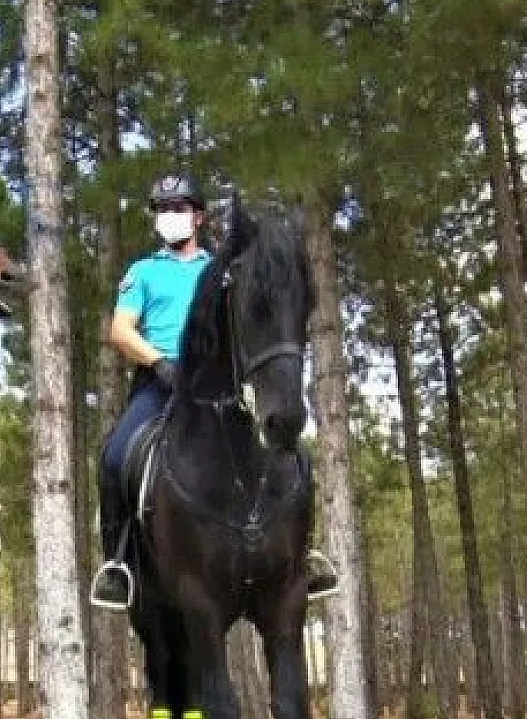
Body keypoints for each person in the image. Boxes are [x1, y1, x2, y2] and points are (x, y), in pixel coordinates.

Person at [88, 174, 339, 610]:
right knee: (114, 455)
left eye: (179, 208)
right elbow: (120, 331)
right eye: (163, 210)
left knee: (290, 449)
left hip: (222, 386)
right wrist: (160, 362)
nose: (170, 217)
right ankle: (118, 564)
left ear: (199, 217)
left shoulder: (222, 271)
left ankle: (304, 552)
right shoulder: (142, 272)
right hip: (161, 383)